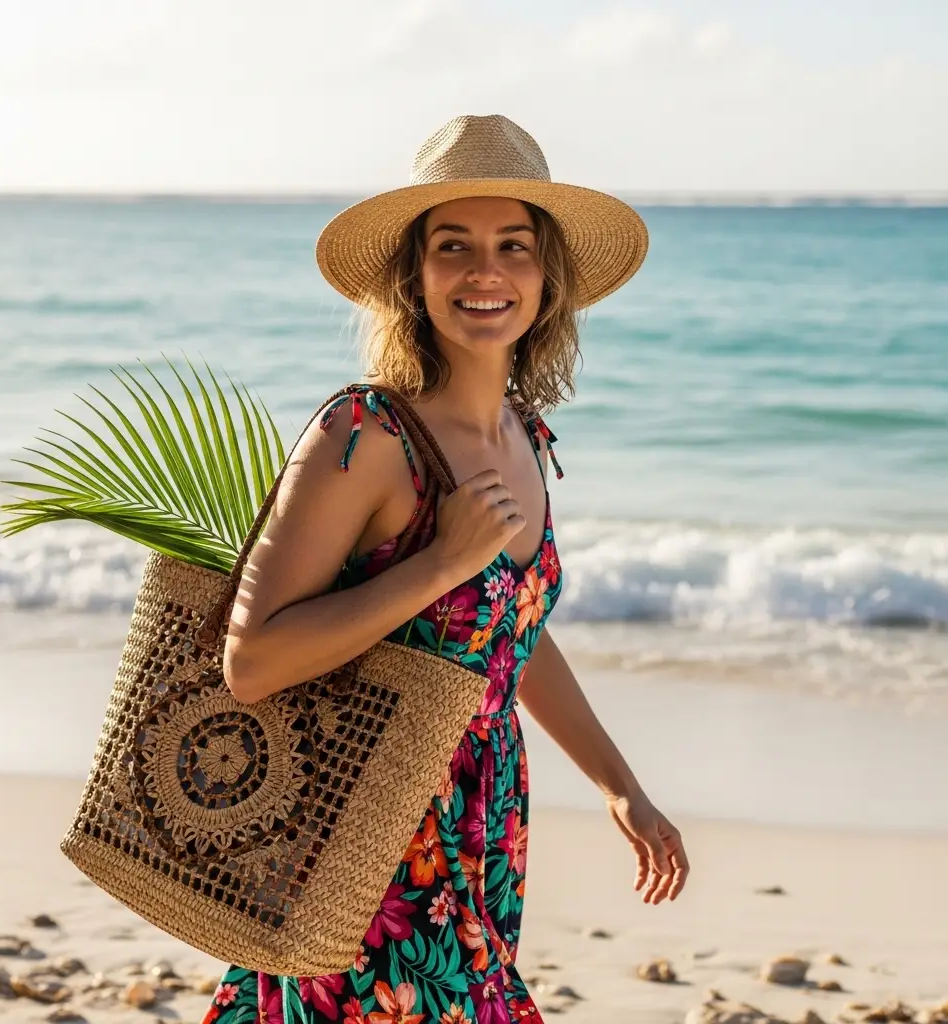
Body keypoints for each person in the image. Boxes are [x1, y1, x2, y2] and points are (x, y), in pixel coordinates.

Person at [201, 114, 689, 1024]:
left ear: (547, 278)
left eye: (513, 246)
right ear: (415, 277)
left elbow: (513, 635)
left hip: (483, 819)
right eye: (452, 246)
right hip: (365, 828)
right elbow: (253, 660)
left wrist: (621, 786)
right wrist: (440, 563)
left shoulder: (525, 436)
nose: (484, 272)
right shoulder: (366, 435)